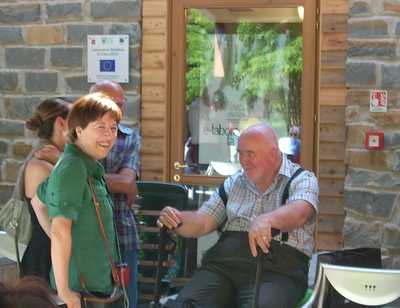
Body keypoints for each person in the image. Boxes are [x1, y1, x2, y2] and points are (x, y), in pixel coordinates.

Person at [157, 123, 319, 308]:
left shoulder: (302, 179)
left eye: (250, 154)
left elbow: (300, 212)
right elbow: (202, 222)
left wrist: (268, 220)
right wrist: (177, 218)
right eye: (240, 153)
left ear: (273, 154)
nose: (243, 160)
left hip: (279, 271)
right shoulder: (233, 183)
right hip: (223, 265)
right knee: (185, 305)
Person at [32, 92, 122, 308]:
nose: (109, 135)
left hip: (98, 289)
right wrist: (65, 291)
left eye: (113, 128)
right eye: (101, 127)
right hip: (81, 295)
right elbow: (60, 228)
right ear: (78, 130)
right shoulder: (72, 167)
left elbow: (38, 200)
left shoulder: (83, 165)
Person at [90, 80, 141, 308]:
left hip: (121, 231)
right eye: (114, 104)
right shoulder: (78, 134)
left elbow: (126, 182)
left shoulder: (128, 137)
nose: (119, 111)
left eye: (122, 104)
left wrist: (87, 178)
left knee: (126, 299)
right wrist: (115, 181)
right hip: (85, 234)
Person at [19, 97, 70, 282]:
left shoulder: (52, 159)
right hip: (45, 259)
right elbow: (53, 225)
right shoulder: (41, 166)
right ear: (61, 123)